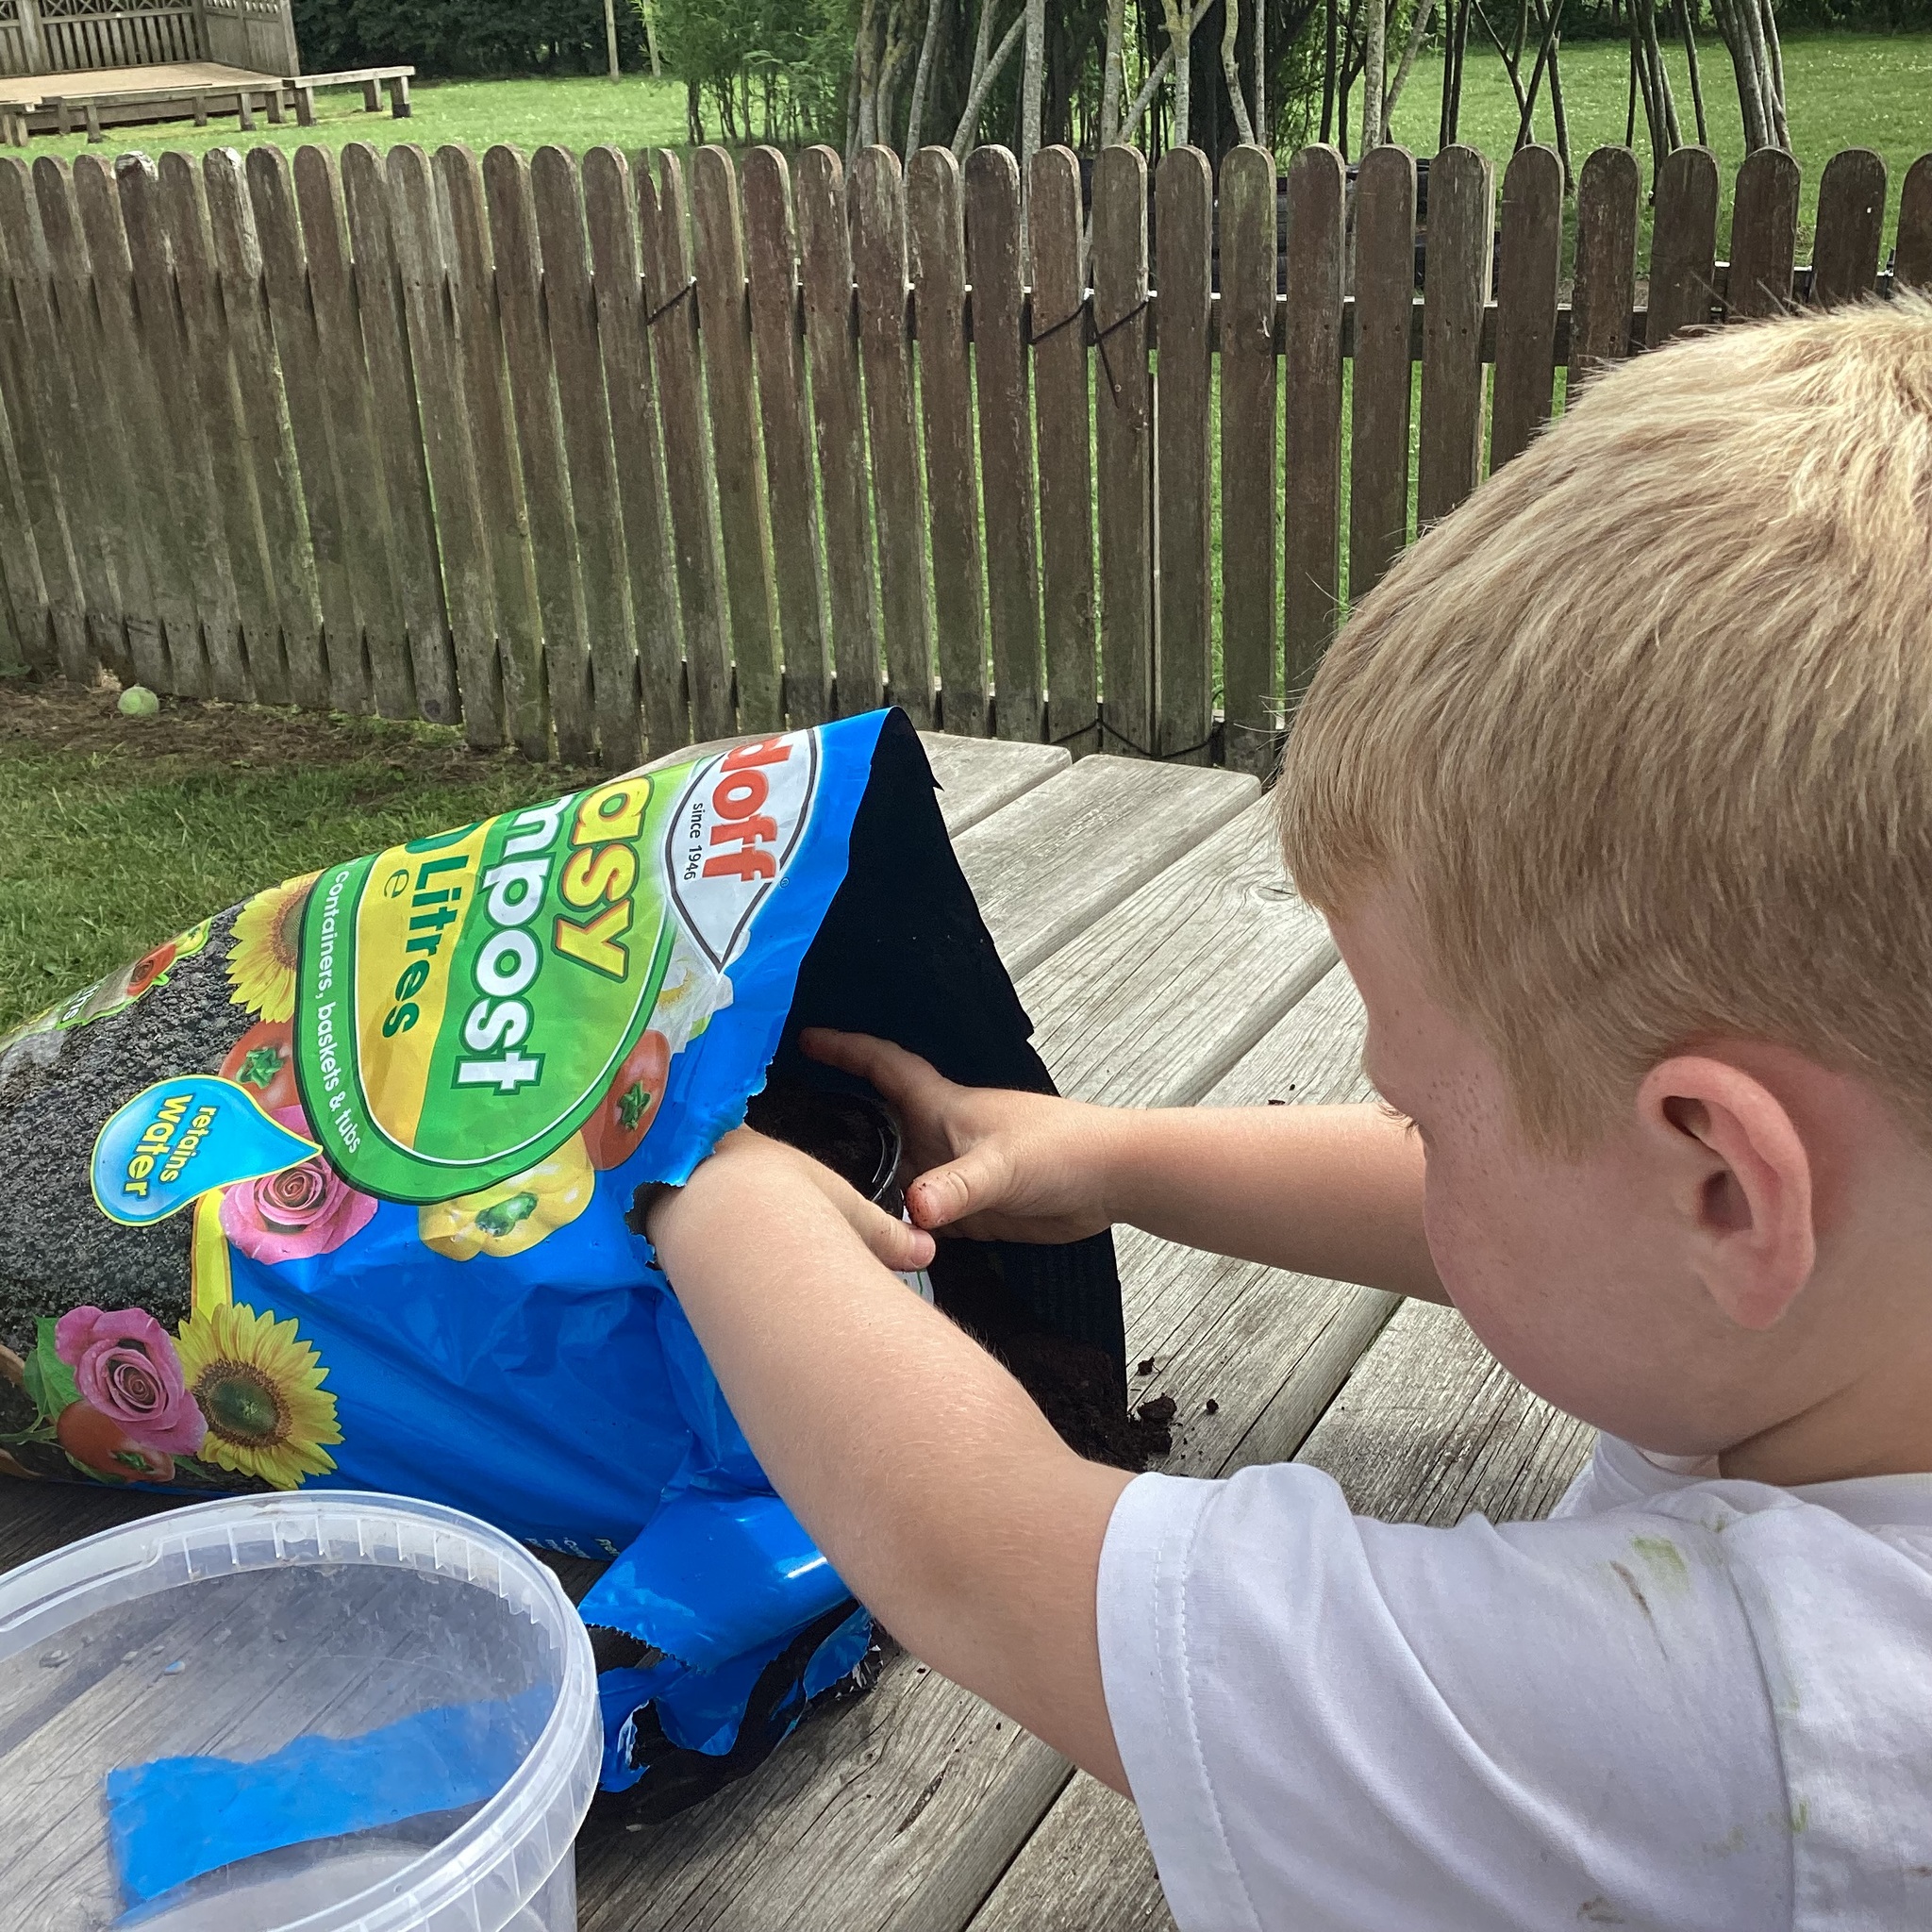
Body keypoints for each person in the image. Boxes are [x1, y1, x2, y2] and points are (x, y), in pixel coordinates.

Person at [643, 295, 1932, 1929]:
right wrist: (1115, 1157)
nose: (1414, 1152)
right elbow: (1535, 1215)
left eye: (1429, 1117)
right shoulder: (1863, 1296)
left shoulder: (1769, 1733)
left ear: (1729, 1189)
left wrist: (708, 1179)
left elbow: (977, 1550)